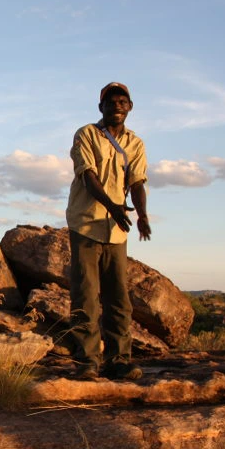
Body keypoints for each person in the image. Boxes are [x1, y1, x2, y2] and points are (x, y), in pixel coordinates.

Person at [65, 82, 151, 380]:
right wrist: (113, 206)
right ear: (101, 107)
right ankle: (87, 361)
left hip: (117, 230)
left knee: (118, 298)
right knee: (86, 294)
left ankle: (119, 360)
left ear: (129, 107)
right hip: (86, 222)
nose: (117, 105)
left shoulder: (135, 144)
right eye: (111, 101)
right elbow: (87, 175)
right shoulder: (86, 134)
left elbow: (138, 182)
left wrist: (141, 214)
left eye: (122, 101)